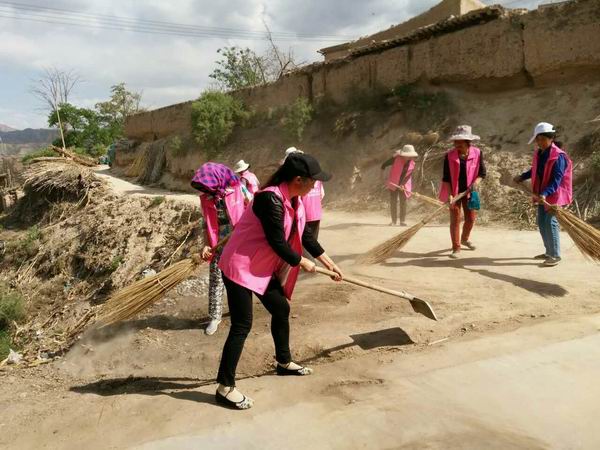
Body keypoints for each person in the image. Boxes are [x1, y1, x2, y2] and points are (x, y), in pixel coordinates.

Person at [215, 153, 343, 410]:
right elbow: (278, 242)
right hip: (239, 265)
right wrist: (303, 262)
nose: (315, 186)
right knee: (242, 324)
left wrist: (329, 262)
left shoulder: (295, 200)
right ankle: (224, 387)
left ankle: (283, 362)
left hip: (260, 267)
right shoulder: (269, 199)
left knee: (281, 308)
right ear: (298, 179)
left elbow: (304, 235)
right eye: (313, 181)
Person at [191, 163, 250, 335]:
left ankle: (240, 309)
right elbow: (205, 223)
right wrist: (206, 244)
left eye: (206, 186)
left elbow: (253, 206)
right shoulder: (205, 199)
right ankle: (214, 317)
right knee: (216, 279)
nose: (205, 190)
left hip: (239, 240)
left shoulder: (238, 189)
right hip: (218, 242)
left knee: (240, 277)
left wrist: (245, 226)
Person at [513, 122, 572, 267]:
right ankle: (548, 252)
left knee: (550, 223)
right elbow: (535, 170)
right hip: (541, 194)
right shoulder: (540, 153)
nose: (539, 142)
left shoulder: (559, 156)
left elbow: (557, 180)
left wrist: (545, 193)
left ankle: (555, 255)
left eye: (542, 139)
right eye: (537, 139)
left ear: (551, 138)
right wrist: (522, 176)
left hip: (555, 194)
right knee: (541, 223)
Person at [439, 125, 487, 259]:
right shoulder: (449, 156)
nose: (456, 145)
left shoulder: (478, 153)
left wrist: (475, 183)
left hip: (470, 192)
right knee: (455, 220)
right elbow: (446, 178)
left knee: (470, 219)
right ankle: (456, 247)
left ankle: (464, 239)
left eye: (459, 142)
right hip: (454, 193)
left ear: (467, 142)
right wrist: (450, 194)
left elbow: (482, 173)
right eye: (455, 142)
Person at [381, 145, 419, 226]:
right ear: (403, 155)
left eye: (410, 156)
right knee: (393, 201)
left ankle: (402, 221)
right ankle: (393, 221)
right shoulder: (395, 159)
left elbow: (408, 176)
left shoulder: (412, 164)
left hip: (404, 184)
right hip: (394, 182)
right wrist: (383, 177)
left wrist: (402, 184)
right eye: (407, 155)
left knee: (403, 202)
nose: (409, 157)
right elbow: (383, 165)